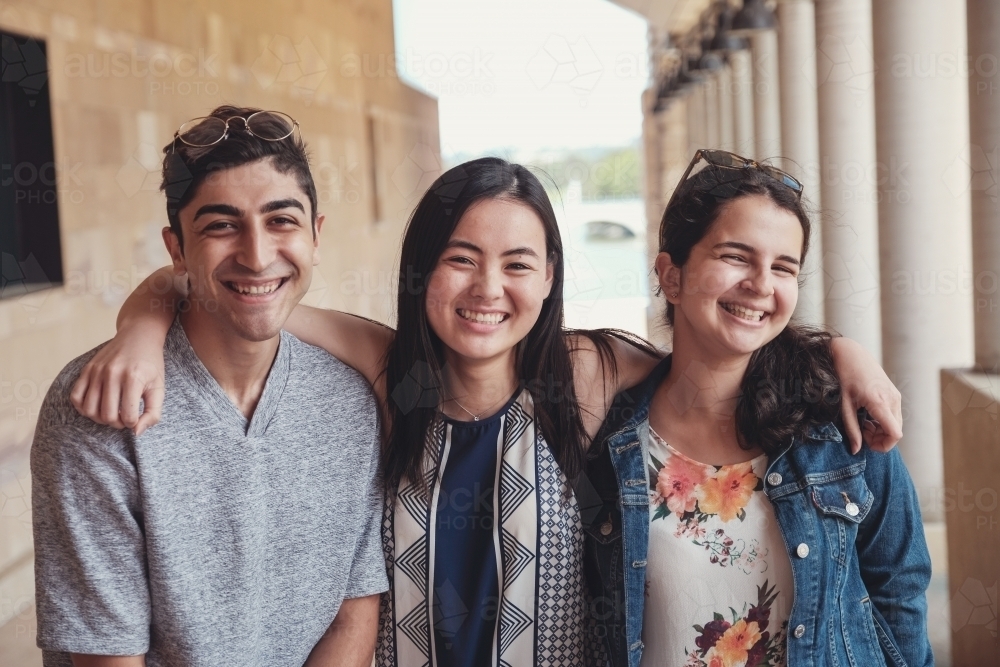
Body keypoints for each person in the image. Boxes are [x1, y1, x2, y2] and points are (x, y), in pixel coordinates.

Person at [70, 153, 904, 666]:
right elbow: (238, 290)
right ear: (422, 271)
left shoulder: (584, 375)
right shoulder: (387, 372)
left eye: (518, 263)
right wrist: (143, 325)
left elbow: (730, 340)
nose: (488, 289)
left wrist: (840, 353)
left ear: (549, 280)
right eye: (460, 259)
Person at [31, 107, 387, 667]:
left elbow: (353, 612)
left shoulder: (351, 398)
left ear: (316, 235)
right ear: (176, 249)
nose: (257, 253)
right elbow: (107, 653)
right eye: (221, 225)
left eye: (281, 221)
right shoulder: (101, 405)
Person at [581, 150, 932, 667]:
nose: (762, 284)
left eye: (783, 267)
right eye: (736, 257)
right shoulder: (605, 438)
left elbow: (897, 585)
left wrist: (840, 350)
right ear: (671, 276)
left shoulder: (840, 425)